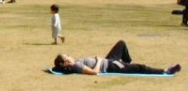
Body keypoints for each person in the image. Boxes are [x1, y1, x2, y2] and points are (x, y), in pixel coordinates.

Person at [53, 40, 181, 75]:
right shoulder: (76, 66)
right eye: (67, 57)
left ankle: (128, 65)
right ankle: (166, 70)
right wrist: (99, 60)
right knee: (141, 68)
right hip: (109, 65)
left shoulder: (75, 63)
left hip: (107, 61)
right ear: (64, 63)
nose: (70, 56)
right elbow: (94, 72)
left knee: (121, 44)